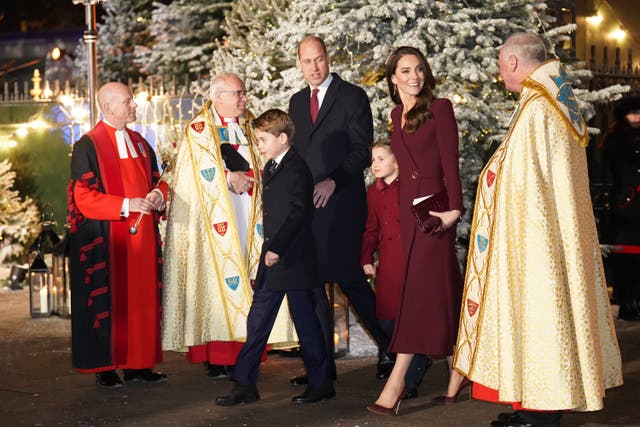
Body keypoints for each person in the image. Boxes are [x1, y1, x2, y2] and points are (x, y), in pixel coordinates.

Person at [454, 33, 623, 427]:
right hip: (541, 234)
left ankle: (544, 412)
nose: (500, 74)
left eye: (500, 65)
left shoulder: (539, 109)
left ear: (512, 62)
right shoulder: (549, 101)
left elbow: (526, 182)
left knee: (543, 316)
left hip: (538, 240)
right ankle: (530, 404)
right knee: (534, 319)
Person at [162, 73, 296, 378]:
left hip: (252, 215)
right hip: (216, 223)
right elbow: (190, 180)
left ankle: (250, 352)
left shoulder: (252, 123)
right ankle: (220, 356)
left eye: (244, 93)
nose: (244, 99)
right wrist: (227, 178)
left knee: (252, 279)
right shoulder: (198, 130)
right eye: (238, 93)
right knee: (219, 282)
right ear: (218, 95)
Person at [367, 46, 467, 416]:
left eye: (419, 69)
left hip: (434, 215)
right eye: (405, 71)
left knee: (416, 296)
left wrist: (453, 210)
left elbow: (449, 160)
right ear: (393, 78)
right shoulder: (396, 114)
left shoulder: (439, 108)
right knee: (443, 292)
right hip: (409, 215)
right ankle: (459, 370)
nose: (414, 76)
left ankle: (397, 382)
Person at [288, 35, 393, 384]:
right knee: (313, 285)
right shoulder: (296, 102)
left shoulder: (352, 96)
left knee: (351, 282)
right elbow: (297, 156)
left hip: (343, 205)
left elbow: (361, 151)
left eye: (319, 59)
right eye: (307, 61)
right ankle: (321, 366)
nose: (314, 67)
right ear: (299, 64)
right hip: (309, 212)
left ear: (328, 59)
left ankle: (390, 349)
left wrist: (332, 180)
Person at [215, 109, 334, 406]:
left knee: (306, 323)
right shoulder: (272, 167)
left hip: (293, 260)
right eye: (257, 140)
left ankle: (321, 383)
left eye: (264, 139)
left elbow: (298, 214)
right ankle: (244, 383)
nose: (259, 145)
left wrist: (276, 249)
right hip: (275, 260)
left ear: (283, 138)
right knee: (258, 322)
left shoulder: (297, 169)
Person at [67, 82, 168, 387]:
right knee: (109, 303)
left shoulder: (139, 141)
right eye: (128, 102)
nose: (134, 106)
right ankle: (106, 367)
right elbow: (82, 197)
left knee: (142, 303)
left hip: (143, 241)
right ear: (108, 107)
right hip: (108, 241)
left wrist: (157, 196)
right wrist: (126, 204)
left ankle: (139, 365)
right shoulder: (88, 145)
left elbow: (158, 180)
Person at [361, 140, 431, 395]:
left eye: (381, 158)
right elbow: (371, 228)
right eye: (373, 159)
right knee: (387, 322)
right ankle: (420, 356)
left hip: (413, 261)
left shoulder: (414, 187)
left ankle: (409, 381)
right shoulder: (373, 192)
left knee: (411, 320)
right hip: (389, 264)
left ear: (397, 161)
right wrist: (367, 256)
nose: (375, 164)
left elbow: (431, 223)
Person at [602, 96, 640, 321]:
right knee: (626, 258)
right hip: (626, 205)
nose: (637, 117)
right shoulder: (615, 139)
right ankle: (627, 300)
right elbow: (619, 168)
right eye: (632, 112)